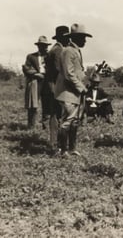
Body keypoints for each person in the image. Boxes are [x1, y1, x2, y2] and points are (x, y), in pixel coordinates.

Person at [55, 23, 92, 156]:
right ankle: (62, 150)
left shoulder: (75, 51)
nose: (85, 41)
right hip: (67, 92)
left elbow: (77, 72)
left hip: (75, 91)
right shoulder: (68, 51)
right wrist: (81, 87)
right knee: (68, 120)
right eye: (82, 38)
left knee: (75, 121)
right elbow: (68, 74)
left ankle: (72, 148)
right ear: (74, 38)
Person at [45, 25, 70, 154]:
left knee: (56, 115)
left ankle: (55, 143)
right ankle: (55, 144)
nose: (68, 39)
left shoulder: (55, 49)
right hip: (55, 86)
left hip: (52, 86)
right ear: (60, 37)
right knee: (57, 115)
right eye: (66, 37)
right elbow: (59, 70)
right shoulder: (58, 50)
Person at [22, 36, 51, 129]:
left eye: (46, 45)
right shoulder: (31, 56)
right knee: (33, 103)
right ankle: (31, 126)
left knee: (47, 103)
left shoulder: (50, 56)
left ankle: (45, 125)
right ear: (38, 46)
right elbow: (26, 68)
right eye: (42, 45)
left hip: (47, 81)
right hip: (36, 81)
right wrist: (36, 74)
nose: (45, 47)